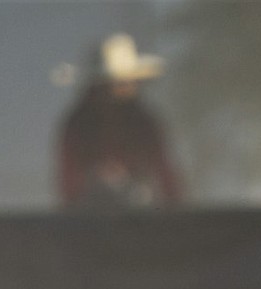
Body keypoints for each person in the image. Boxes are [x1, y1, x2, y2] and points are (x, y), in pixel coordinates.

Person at [56, 33, 182, 208]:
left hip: (144, 221)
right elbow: (68, 189)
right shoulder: (77, 125)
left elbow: (168, 180)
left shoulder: (144, 122)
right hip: (89, 224)